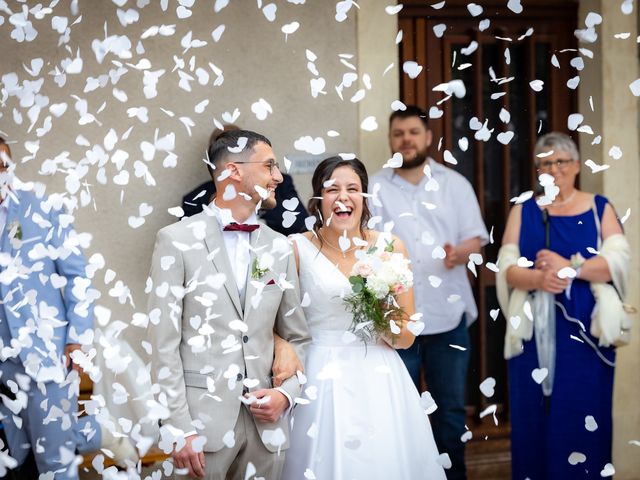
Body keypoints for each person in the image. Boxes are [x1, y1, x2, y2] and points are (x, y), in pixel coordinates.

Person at [147, 129, 311, 479]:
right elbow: (163, 344)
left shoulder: (279, 247)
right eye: (269, 166)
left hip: (267, 432)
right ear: (234, 171)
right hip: (199, 428)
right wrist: (178, 427)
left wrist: (286, 393)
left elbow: (298, 338)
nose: (278, 177)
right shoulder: (175, 241)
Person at [282, 156, 446, 479]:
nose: (343, 197)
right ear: (318, 199)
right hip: (319, 373)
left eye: (352, 189)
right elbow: (275, 321)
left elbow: (405, 338)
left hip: (380, 373)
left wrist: (377, 298)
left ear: (364, 198)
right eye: (332, 190)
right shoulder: (295, 248)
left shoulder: (389, 247)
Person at [0, 137, 138, 478]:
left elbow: (77, 278)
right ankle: (91, 432)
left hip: (46, 355)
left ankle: (93, 434)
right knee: (12, 456)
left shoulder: (42, 209)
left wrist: (76, 340)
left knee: (53, 461)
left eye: (3, 166)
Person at [497, 132, 629, 479]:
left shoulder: (600, 207)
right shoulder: (523, 210)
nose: (552, 170)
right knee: (534, 417)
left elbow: (617, 263)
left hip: (586, 335)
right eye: (545, 163)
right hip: (532, 337)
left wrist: (570, 267)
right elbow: (507, 270)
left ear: (575, 166)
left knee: (584, 413)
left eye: (560, 162)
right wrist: (539, 280)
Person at [368, 106, 488, 479]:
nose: (406, 139)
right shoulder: (374, 186)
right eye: (399, 133)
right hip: (394, 320)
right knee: (397, 409)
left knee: (450, 411)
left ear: (427, 137)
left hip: (446, 314)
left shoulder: (455, 184)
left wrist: (460, 252)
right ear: (391, 140)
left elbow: (476, 240)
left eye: (413, 132)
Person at [182, 126, 309, 236]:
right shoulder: (194, 200)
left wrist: (258, 202)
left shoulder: (281, 185)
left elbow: (301, 226)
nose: (278, 177)